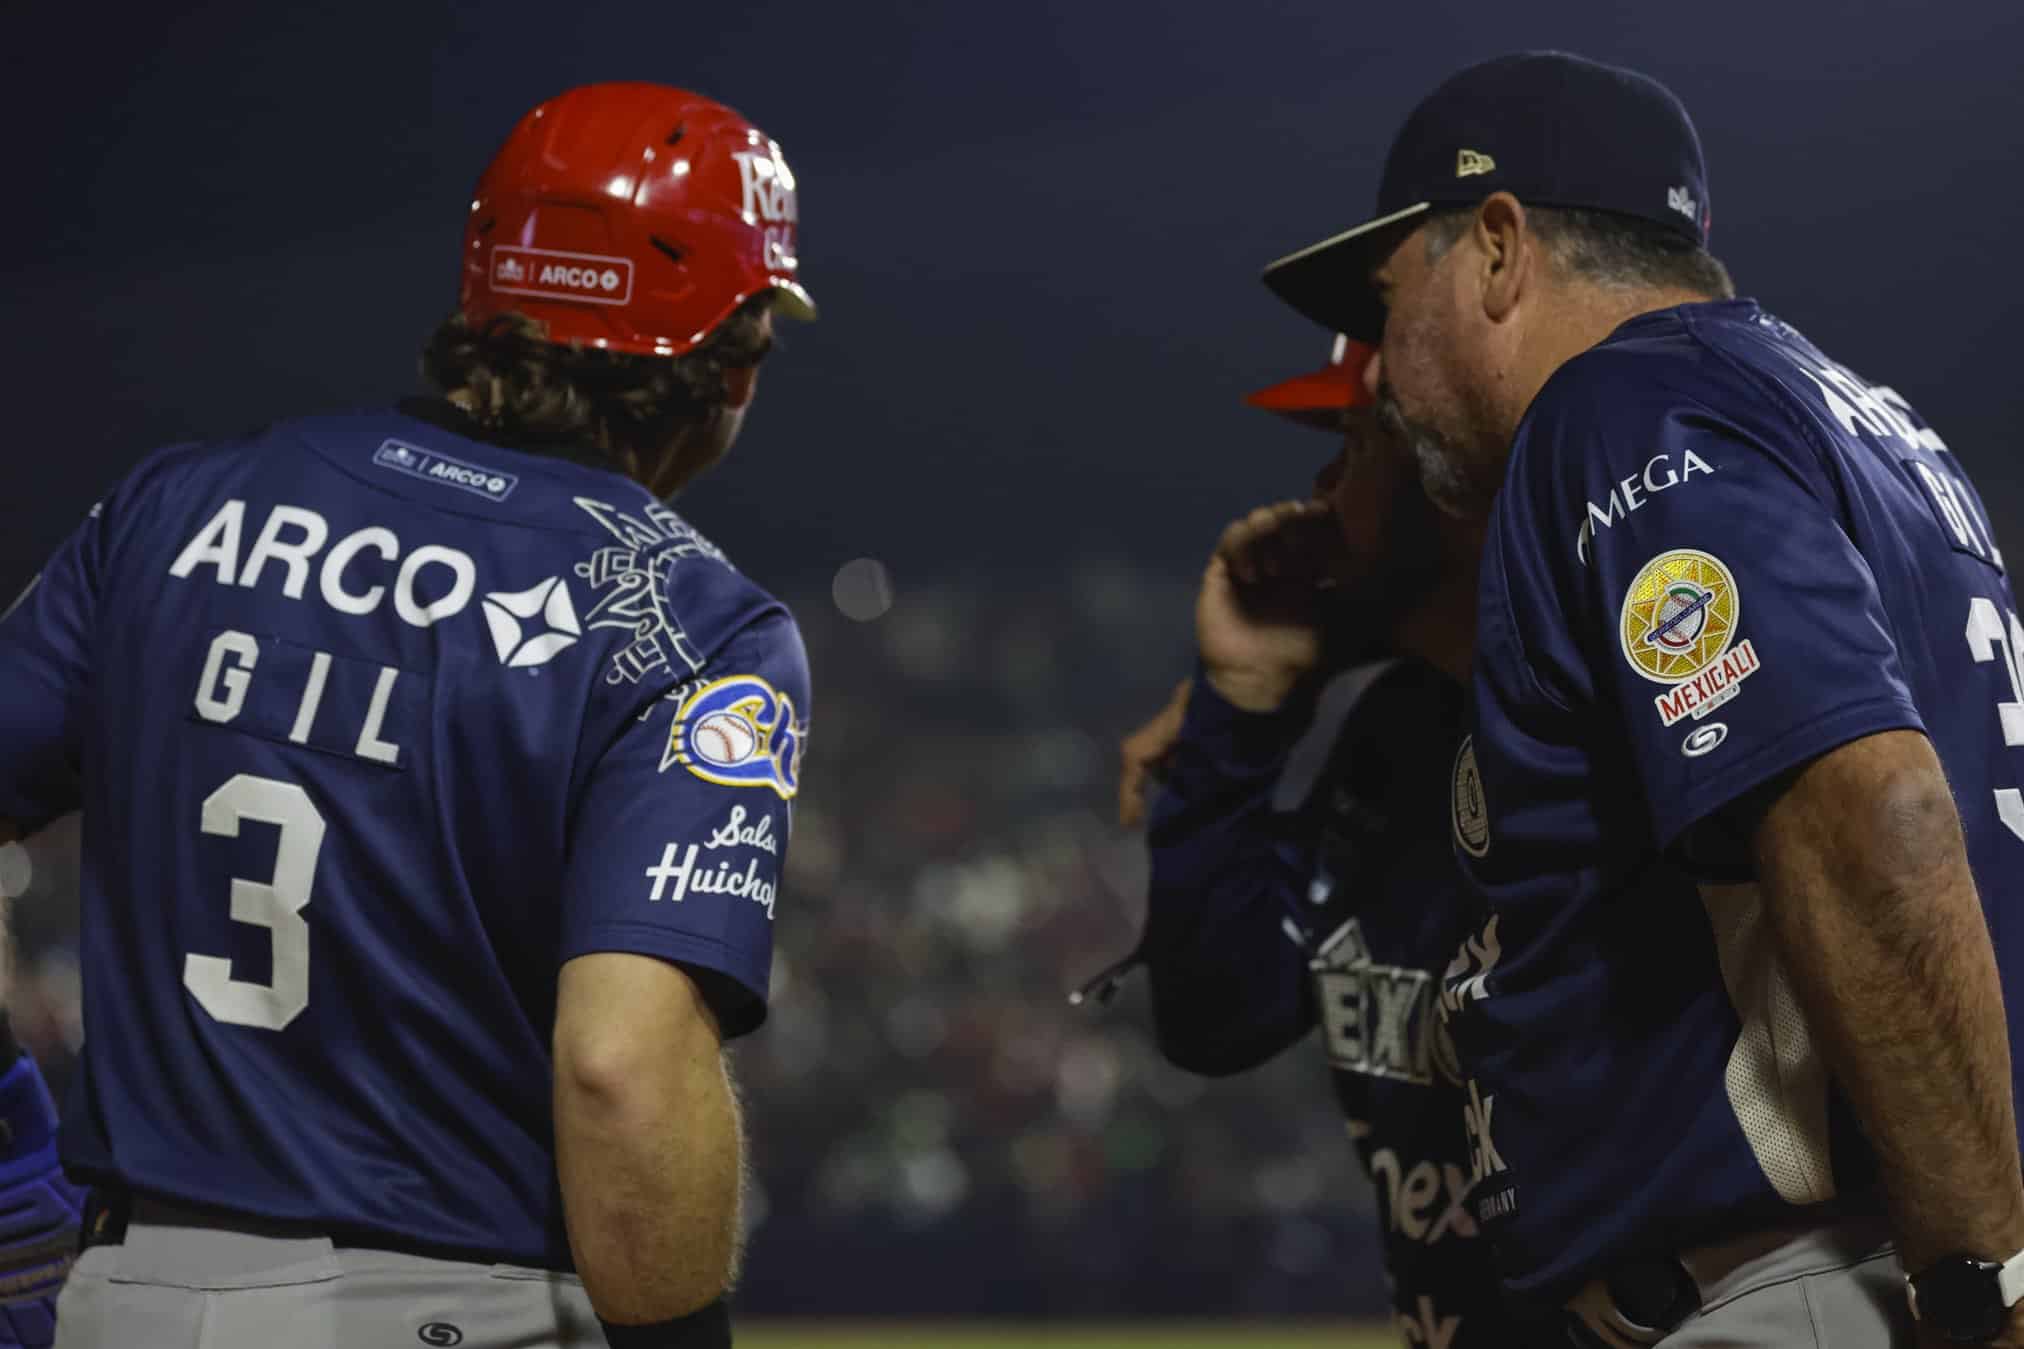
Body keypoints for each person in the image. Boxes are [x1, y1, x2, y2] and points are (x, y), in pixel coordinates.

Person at [0, 81, 814, 1349]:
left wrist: (7, 1130)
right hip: (452, 1305)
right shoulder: (690, 620)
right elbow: (619, 1065)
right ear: (722, 360)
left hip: (125, 1296)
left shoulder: (171, 507)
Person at [1263, 49, 2024, 1346]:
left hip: (1806, 1282)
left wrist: (1978, 1283)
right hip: (1868, 1248)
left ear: (1498, 248)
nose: (1380, 369)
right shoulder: (1865, 421)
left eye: (1394, 298)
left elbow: (1881, 817)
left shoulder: (1619, 409)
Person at [1109, 335, 1515, 1345]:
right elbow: (1216, 1017)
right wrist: (1237, 711)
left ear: (1445, 467)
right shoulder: (1394, 729)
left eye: (1351, 442)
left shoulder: (1615, 723)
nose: (1322, 485)